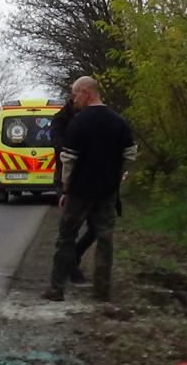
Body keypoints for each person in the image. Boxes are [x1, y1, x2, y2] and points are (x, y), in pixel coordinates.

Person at [42, 77, 137, 302]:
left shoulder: (79, 123)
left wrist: (65, 189)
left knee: (65, 238)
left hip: (79, 192)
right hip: (107, 192)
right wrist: (118, 174)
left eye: (76, 95)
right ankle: (102, 290)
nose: (74, 100)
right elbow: (130, 154)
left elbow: (68, 159)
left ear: (86, 92)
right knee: (105, 239)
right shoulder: (119, 121)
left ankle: (56, 289)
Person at [50, 98, 93, 283]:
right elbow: (61, 147)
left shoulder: (89, 116)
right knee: (70, 228)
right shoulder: (59, 120)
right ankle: (72, 271)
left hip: (90, 179)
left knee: (96, 227)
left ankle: (75, 254)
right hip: (65, 179)